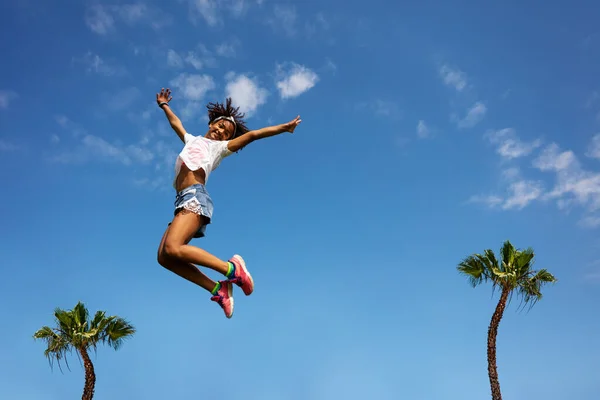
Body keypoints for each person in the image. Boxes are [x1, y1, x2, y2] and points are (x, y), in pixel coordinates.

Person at [155, 88, 301, 318]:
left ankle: (232, 269)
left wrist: (284, 127)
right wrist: (164, 105)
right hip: (181, 200)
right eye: (220, 126)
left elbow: (252, 135)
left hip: (195, 196)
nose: (221, 132)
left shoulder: (219, 149)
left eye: (226, 132)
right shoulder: (192, 139)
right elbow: (176, 123)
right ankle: (218, 288)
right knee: (164, 257)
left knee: (174, 247)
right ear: (212, 122)